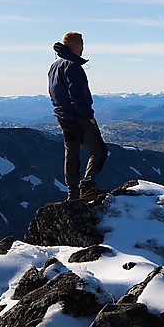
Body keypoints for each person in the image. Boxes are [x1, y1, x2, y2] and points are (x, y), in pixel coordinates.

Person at [48, 32, 108, 201]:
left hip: (62, 116)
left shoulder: (54, 66)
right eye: (81, 44)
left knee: (71, 153)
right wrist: (88, 115)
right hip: (77, 116)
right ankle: (87, 188)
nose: (83, 47)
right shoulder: (73, 66)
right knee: (99, 150)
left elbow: (52, 91)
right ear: (76, 45)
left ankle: (73, 194)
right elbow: (78, 95)